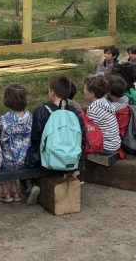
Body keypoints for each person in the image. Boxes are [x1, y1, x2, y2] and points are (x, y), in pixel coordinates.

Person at [25, 74, 85, 202]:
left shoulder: (41, 110)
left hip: (48, 160)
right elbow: (82, 138)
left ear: (52, 92)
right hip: (71, 158)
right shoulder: (75, 112)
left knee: (28, 155)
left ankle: (30, 184)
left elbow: (35, 138)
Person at [0, 84, 32, 202]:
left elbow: (1, 140)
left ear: (7, 101)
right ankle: (15, 191)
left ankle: (6, 192)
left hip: (8, 162)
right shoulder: (31, 117)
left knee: (1, 154)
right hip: (25, 159)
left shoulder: (5, 120)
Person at [83, 77, 121, 154]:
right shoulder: (105, 102)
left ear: (92, 93)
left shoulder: (93, 109)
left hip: (106, 147)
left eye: (85, 89)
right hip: (115, 144)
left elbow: (90, 132)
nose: (84, 92)